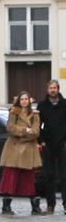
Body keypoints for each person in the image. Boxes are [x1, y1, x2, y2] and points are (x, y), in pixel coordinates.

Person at [0, 91, 42, 215]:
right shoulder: (14, 113)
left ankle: (35, 207)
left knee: (28, 179)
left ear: (29, 101)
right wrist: (26, 130)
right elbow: (11, 128)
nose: (24, 101)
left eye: (26, 99)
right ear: (19, 101)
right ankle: (6, 206)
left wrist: (24, 134)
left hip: (28, 150)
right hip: (14, 150)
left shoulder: (35, 115)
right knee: (10, 178)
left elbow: (36, 132)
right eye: (22, 99)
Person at [37, 80, 66, 214]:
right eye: (50, 88)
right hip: (48, 144)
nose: (53, 90)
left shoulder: (64, 104)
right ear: (47, 90)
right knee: (49, 176)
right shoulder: (42, 105)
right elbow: (38, 125)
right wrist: (41, 140)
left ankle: (65, 205)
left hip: (63, 144)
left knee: (64, 175)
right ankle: (50, 205)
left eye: (55, 88)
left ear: (58, 89)